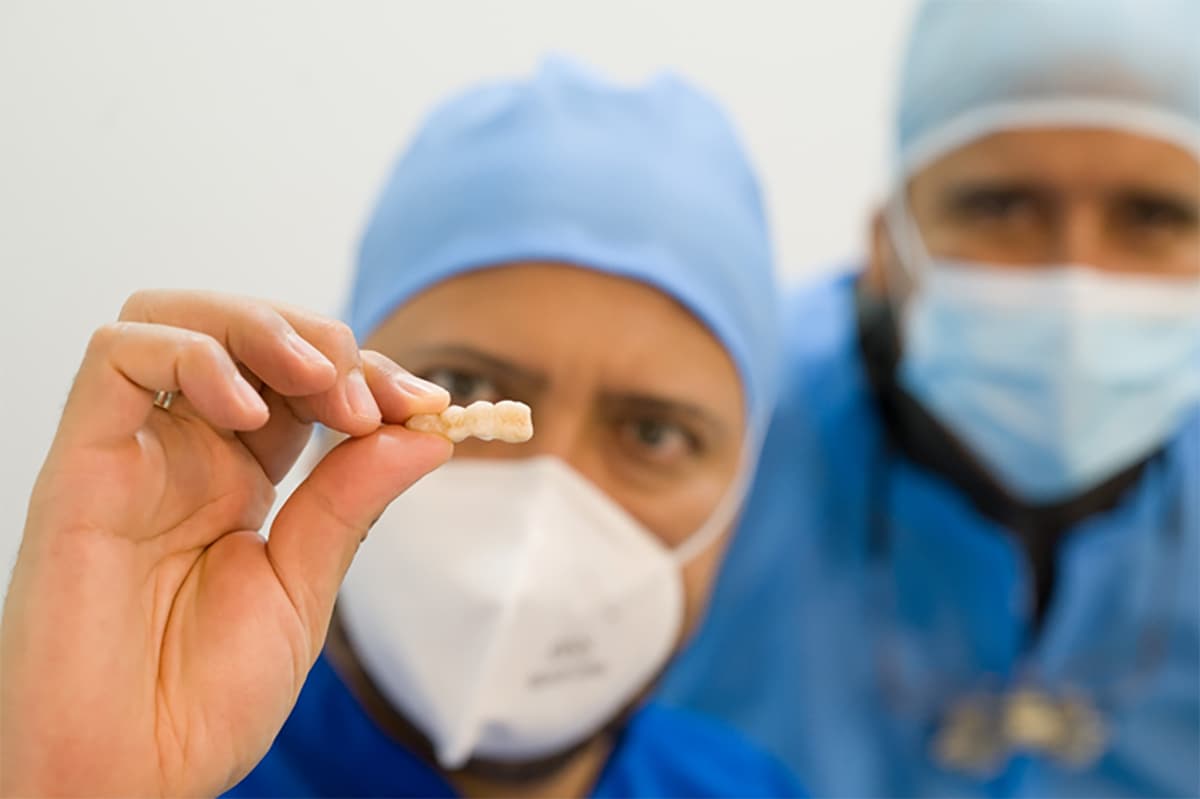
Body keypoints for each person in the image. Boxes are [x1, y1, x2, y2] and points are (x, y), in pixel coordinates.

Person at [0, 60, 804, 798]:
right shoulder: (145, 760)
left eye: (656, 435)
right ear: (334, 397)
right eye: (463, 388)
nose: (541, 509)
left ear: (743, 492)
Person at [661, 1, 1200, 796]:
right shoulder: (708, 438)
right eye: (1000, 206)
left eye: (1154, 215)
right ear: (886, 239)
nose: (1075, 280)